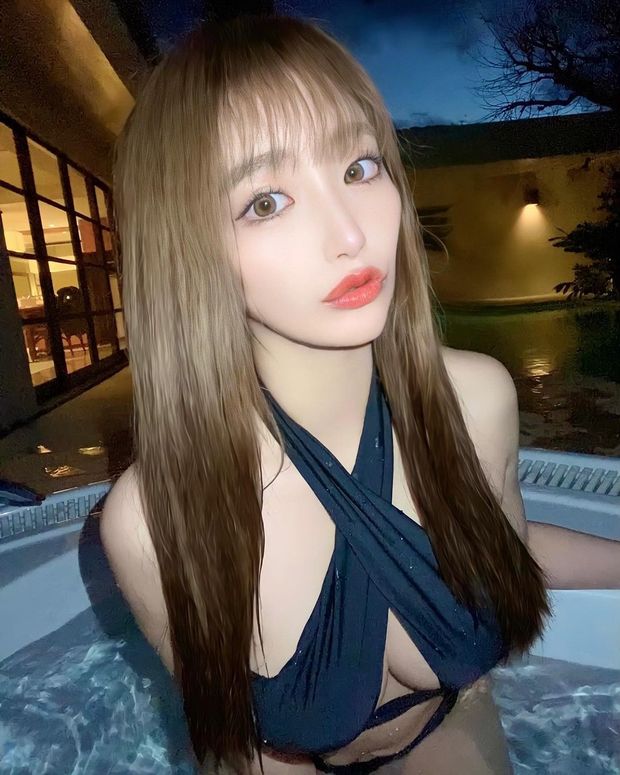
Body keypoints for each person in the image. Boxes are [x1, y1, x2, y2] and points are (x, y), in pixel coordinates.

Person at [100, 12, 554, 774]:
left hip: (459, 725)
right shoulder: (153, 520)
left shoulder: (479, 402)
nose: (350, 233)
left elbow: (510, 552)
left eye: (359, 166)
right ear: (186, 247)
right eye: (265, 202)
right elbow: (231, 745)